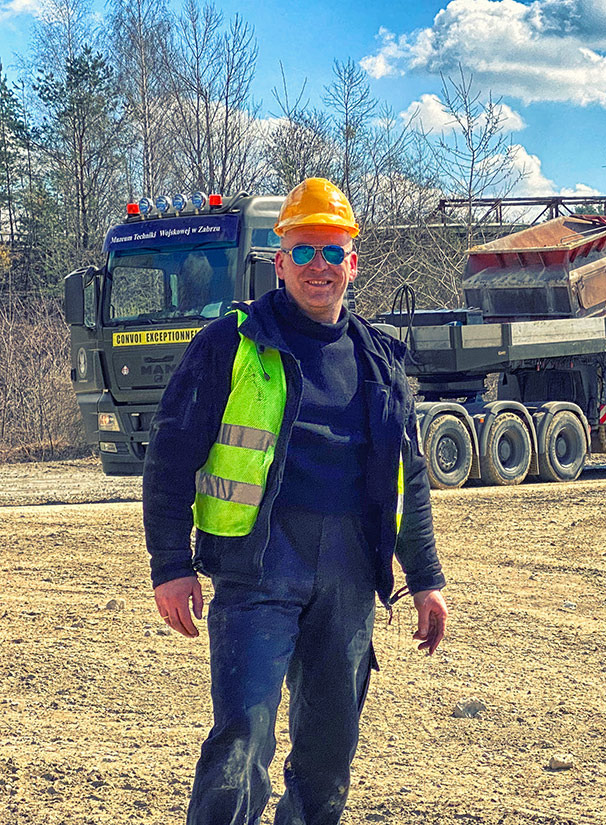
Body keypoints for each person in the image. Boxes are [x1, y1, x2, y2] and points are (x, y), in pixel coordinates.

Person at [143, 177, 448, 825]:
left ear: (353, 263)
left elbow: (409, 475)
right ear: (279, 260)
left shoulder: (382, 359)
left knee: (328, 752)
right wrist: (169, 563)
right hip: (257, 567)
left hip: (347, 572)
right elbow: (170, 456)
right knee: (241, 742)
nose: (319, 266)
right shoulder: (231, 343)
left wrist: (426, 578)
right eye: (305, 251)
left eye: (332, 252)